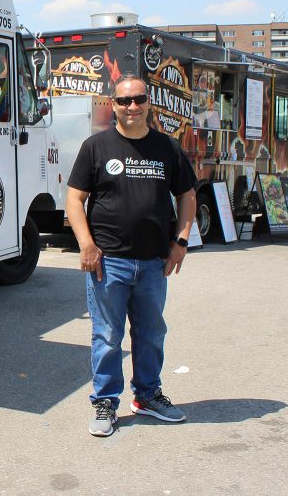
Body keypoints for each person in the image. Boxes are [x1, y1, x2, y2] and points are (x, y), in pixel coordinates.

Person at [66, 74, 197, 437]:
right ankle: (105, 402)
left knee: (152, 332)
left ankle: (148, 396)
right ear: (114, 104)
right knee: (107, 335)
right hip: (109, 262)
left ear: (148, 102)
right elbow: (74, 199)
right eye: (124, 101)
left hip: (154, 262)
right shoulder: (96, 147)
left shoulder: (167, 148)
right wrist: (86, 244)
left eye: (138, 99)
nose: (132, 107)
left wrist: (181, 241)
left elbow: (187, 196)